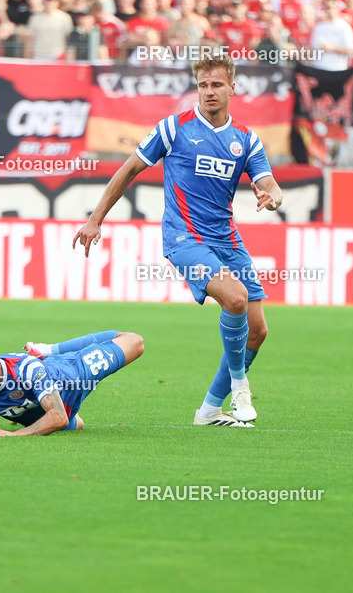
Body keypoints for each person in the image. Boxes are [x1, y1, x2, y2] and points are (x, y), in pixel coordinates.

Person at [73, 54, 283, 428]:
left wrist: (272, 196)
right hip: (184, 238)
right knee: (234, 298)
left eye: (217, 84)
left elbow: (268, 183)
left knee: (258, 329)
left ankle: (208, 412)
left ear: (233, 88)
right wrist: (95, 218)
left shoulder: (246, 139)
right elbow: (129, 168)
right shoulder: (174, 128)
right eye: (203, 85)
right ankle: (240, 386)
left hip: (228, 241)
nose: (209, 92)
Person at [0, 330, 145, 436]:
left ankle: (49, 350)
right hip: (42, 409)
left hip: (74, 374)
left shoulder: (26, 369)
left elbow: (57, 417)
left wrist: (12, 436)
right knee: (74, 424)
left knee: (133, 341)